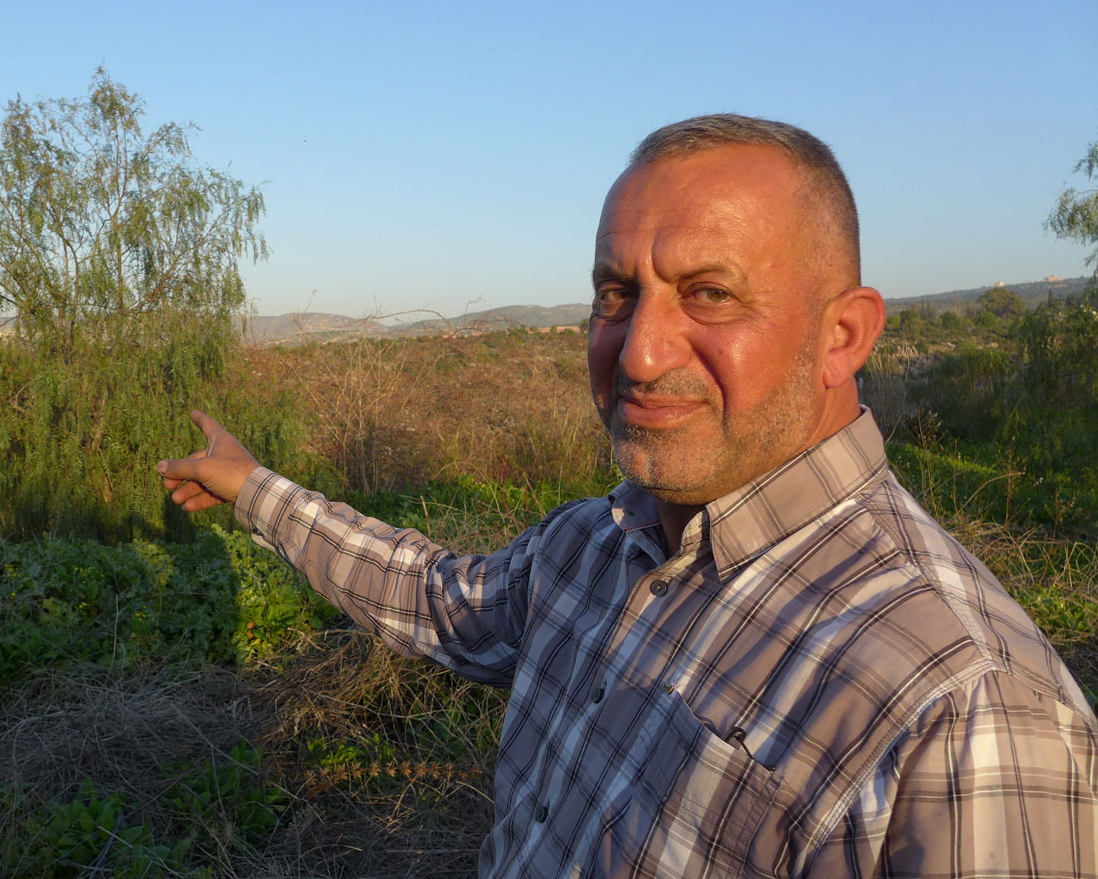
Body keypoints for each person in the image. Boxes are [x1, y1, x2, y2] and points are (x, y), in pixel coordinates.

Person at [156, 115, 1098, 878]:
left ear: (844, 335)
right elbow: (439, 598)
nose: (639, 353)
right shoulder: (599, 541)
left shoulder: (968, 711)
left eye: (711, 294)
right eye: (616, 291)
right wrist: (255, 489)